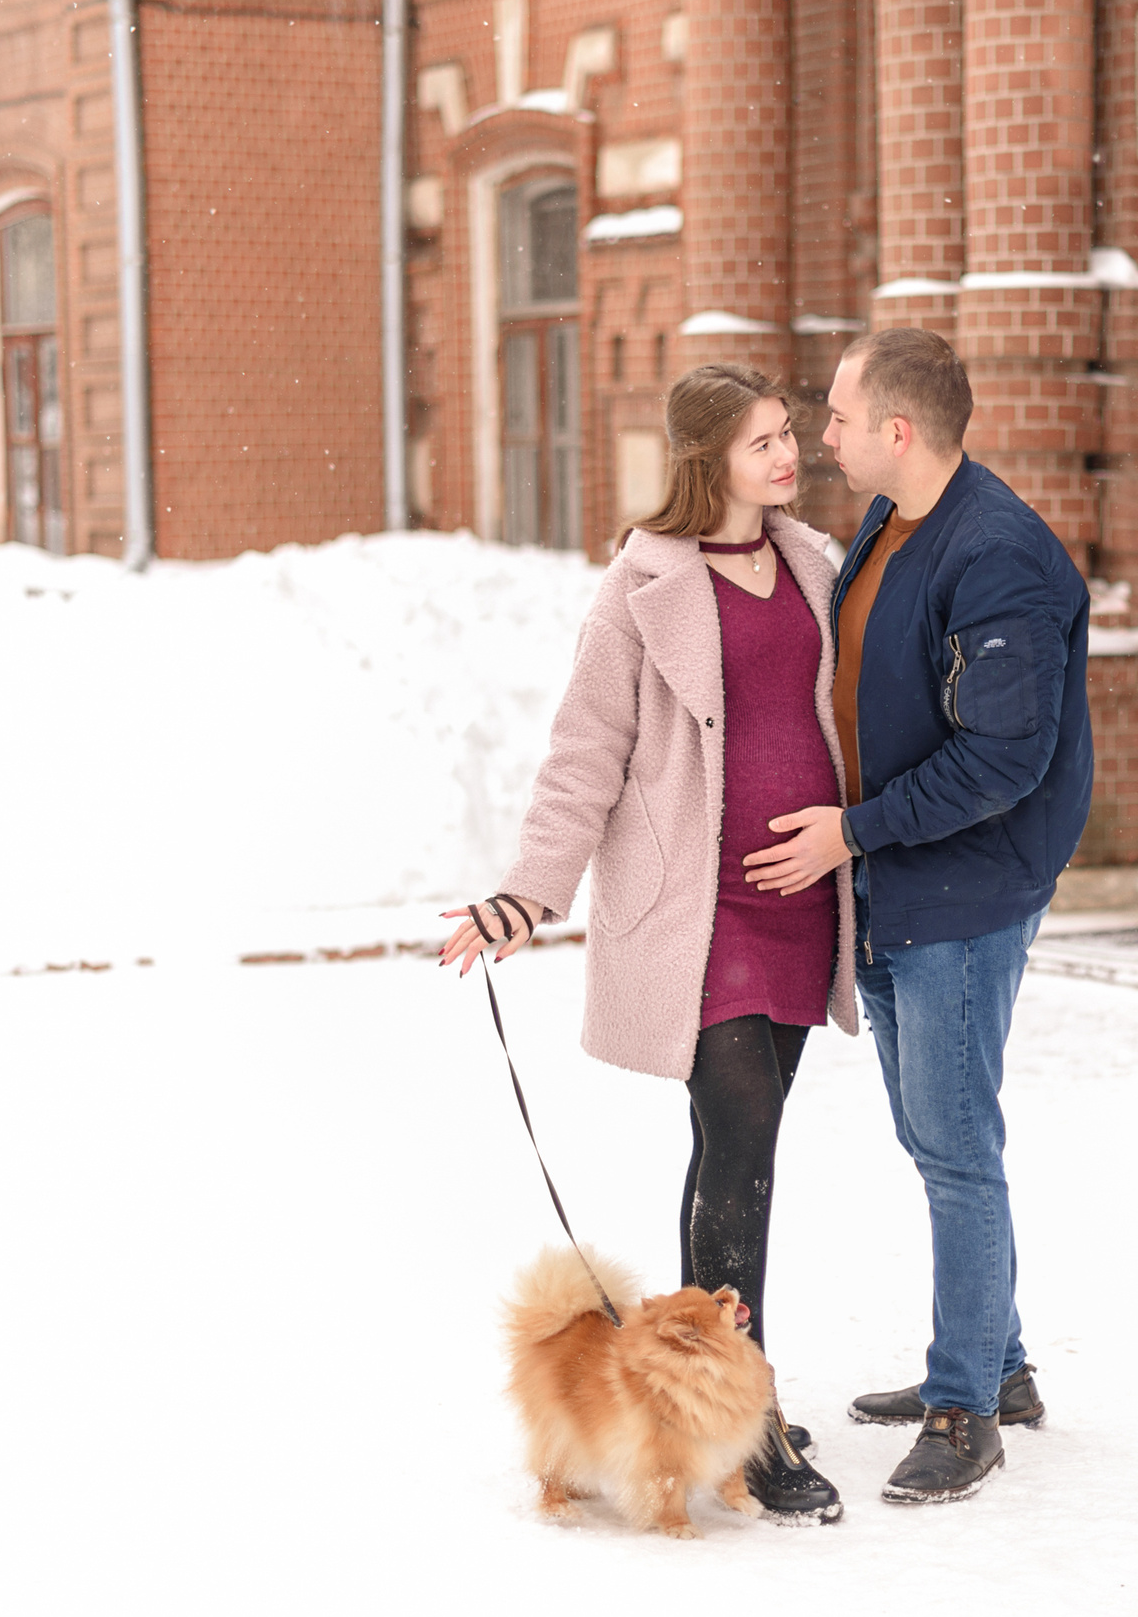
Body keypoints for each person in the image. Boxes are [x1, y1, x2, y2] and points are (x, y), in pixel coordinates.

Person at [437, 361, 857, 1524]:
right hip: (698, 912)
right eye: (764, 442)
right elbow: (585, 757)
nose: (787, 457)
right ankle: (754, 1422)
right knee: (741, 1138)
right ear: (703, 458)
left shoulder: (815, 566)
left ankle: (695, 1397)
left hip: (802, 905)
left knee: (729, 1153)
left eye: (787, 436)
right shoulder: (637, 589)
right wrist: (526, 894)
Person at [744, 326, 1093, 1505]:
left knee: (954, 1147)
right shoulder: (891, 526)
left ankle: (965, 1408)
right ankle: (1001, 1363)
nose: (821, 436)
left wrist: (853, 831)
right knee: (937, 1134)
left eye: (837, 418)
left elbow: (1003, 759)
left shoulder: (998, 558)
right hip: (897, 882)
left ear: (898, 429)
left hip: (963, 886)